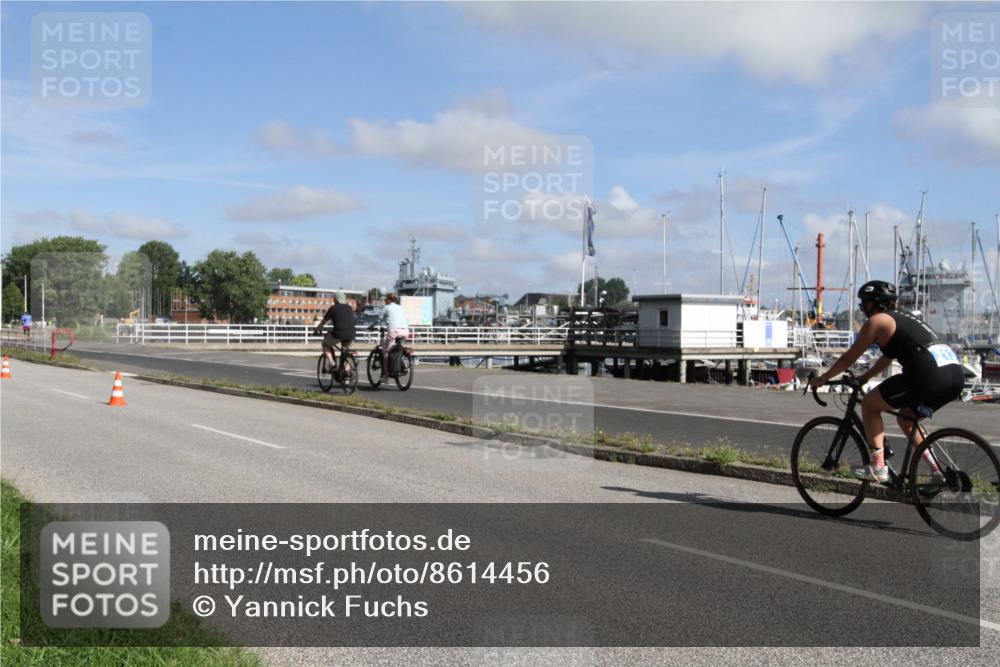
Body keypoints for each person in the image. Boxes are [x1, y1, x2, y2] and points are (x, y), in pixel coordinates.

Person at [809, 280, 965, 482]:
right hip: (954, 374)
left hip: (928, 375)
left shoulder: (877, 322)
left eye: (863, 303)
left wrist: (823, 378)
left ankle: (878, 466)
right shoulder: (903, 318)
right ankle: (938, 473)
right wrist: (866, 376)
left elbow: (849, 358)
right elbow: (888, 357)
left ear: (874, 303)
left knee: (870, 405)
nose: (862, 308)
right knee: (907, 419)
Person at [313, 292, 356, 370]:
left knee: (325, 344)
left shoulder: (333, 308)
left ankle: (332, 363)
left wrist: (317, 329)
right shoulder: (349, 308)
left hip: (339, 333)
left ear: (335, 299)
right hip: (351, 334)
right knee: (346, 351)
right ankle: (347, 374)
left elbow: (323, 322)